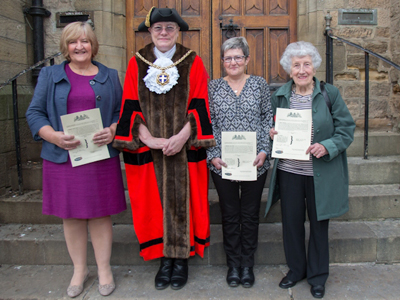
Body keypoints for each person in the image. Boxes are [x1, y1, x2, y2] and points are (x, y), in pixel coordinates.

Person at [112, 7, 215, 290]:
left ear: (178, 31)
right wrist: (146, 138)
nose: (164, 33)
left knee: (183, 200)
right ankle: (163, 258)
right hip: (150, 148)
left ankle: (180, 258)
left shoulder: (192, 61)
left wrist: (183, 136)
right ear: (150, 32)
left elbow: (200, 102)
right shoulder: (137, 62)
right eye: (158, 29)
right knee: (153, 202)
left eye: (170, 28)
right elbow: (130, 103)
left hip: (184, 146)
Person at [25, 21, 126, 297]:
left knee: (100, 214)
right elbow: (34, 113)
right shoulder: (50, 75)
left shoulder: (109, 75)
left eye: (85, 41)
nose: (79, 47)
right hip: (64, 157)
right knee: (70, 216)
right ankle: (79, 270)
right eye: (73, 42)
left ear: (93, 45)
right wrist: (53, 136)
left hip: (99, 156)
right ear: (65, 46)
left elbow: (121, 112)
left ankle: (104, 269)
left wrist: (112, 130)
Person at [266, 41, 355, 298]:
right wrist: (273, 135)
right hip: (290, 172)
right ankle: (296, 271)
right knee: (291, 224)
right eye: (296, 65)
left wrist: (327, 146)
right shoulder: (280, 96)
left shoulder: (330, 94)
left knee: (318, 225)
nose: (302, 70)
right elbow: (273, 132)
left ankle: (317, 276)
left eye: (306, 64)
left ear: (314, 67)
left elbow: (346, 129)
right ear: (289, 69)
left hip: (321, 174)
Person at [206, 37, 272, 288]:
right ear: (222, 61)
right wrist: (213, 155)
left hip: (255, 161)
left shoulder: (259, 84)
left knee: (250, 214)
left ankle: (247, 264)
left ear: (246, 60)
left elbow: (268, 117)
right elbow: (207, 123)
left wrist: (265, 150)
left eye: (238, 57)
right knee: (230, 214)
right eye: (228, 58)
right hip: (222, 162)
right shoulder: (213, 87)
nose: (233, 62)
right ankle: (233, 264)